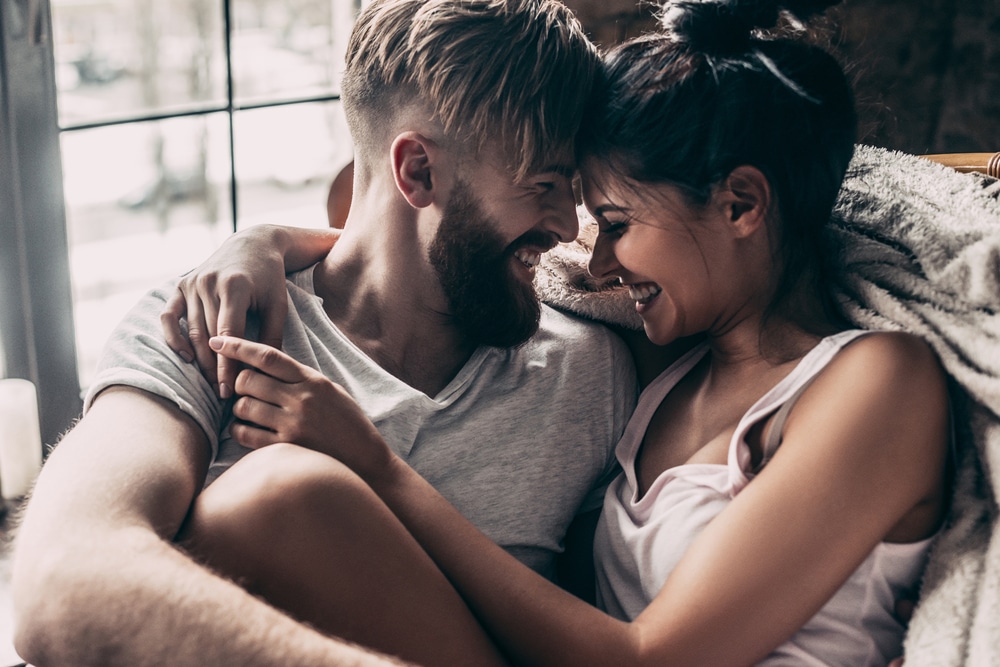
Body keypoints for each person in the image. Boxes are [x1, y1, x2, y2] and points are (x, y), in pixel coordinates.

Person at [162, 0, 951, 665]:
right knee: (261, 509)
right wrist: (262, 241)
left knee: (285, 497)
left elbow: (648, 657)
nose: (593, 261)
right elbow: (402, 230)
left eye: (614, 222)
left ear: (742, 205)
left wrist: (375, 465)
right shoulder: (665, 370)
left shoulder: (880, 382)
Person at [9, 2, 637, 666]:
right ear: (417, 172)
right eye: (543, 185)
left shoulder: (589, 372)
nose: (569, 227)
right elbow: (59, 579)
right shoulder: (211, 323)